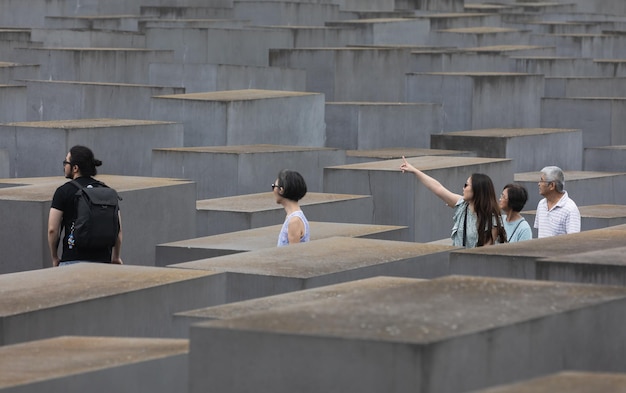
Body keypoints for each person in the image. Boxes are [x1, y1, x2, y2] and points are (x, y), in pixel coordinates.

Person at [400, 156, 506, 248]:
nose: (463, 188)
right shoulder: (462, 205)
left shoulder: (491, 219)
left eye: (466, 185)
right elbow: (438, 188)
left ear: (477, 190)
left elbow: (486, 252)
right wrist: (414, 171)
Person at [48, 145, 123, 266]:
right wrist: (116, 257)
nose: (64, 165)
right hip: (103, 261)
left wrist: (55, 257)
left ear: (75, 168)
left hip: (72, 260)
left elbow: (52, 230)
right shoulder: (106, 191)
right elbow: (118, 230)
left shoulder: (63, 191)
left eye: (66, 162)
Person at [534, 166, 580, 238]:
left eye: (542, 180)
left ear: (552, 185)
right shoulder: (541, 204)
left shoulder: (570, 209)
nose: (539, 184)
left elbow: (573, 240)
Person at [273, 169, 310, 247]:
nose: (272, 190)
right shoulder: (293, 218)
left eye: (274, 186)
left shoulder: (294, 221)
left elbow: (292, 255)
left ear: (281, 190)